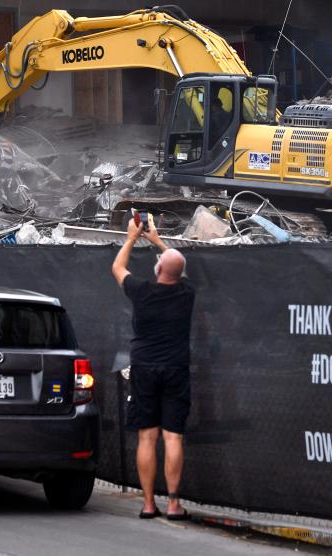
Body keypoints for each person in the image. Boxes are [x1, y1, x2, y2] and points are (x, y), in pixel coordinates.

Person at [111, 217, 195, 520]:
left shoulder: (142, 292)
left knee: (147, 437)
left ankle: (148, 504)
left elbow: (117, 268)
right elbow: (178, 266)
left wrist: (133, 238)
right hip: (176, 368)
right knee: (173, 437)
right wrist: (159, 241)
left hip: (144, 368)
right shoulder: (187, 294)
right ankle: (173, 504)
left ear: (157, 270)